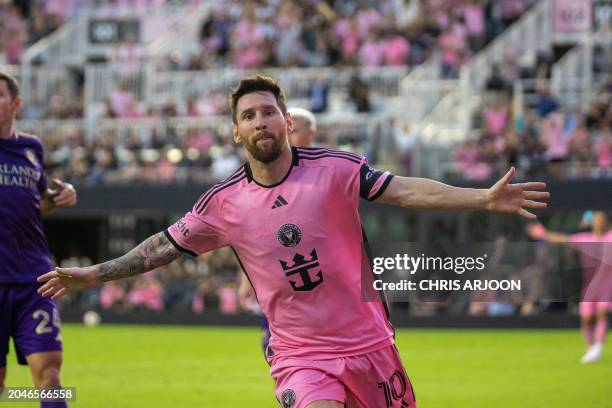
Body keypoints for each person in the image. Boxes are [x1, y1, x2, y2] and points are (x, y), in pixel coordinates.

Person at [38, 75, 549, 408]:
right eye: (248, 115)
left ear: (286, 121)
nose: (260, 120)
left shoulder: (337, 170)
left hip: (371, 346)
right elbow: (160, 247)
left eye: (267, 111)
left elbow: (410, 190)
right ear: (235, 133)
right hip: (301, 356)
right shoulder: (223, 202)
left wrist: (482, 198)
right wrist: (95, 273)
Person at [0, 72, 77, 407]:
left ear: (15, 103)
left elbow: (36, 202)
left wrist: (59, 197)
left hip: (34, 279)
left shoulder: (31, 149)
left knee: (49, 375)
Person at [238, 107, 318, 351]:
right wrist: (246, 280)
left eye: (294, 128)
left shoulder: (327, 170)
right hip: (279, 286)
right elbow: (255, 236)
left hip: (322, 285)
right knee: (278, 354)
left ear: (311, 134)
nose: (287, 133)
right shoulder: (264, 176)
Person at [527, 211, 612, 363]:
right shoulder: (585, 239)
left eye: (602, 219)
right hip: (590, 287)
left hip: (608, 286)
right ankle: (591, 348)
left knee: (602, 313)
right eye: (597, 219)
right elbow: (563, 239)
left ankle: (598, 346)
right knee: (586, 320)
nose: (599, 222)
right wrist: (543, 234)